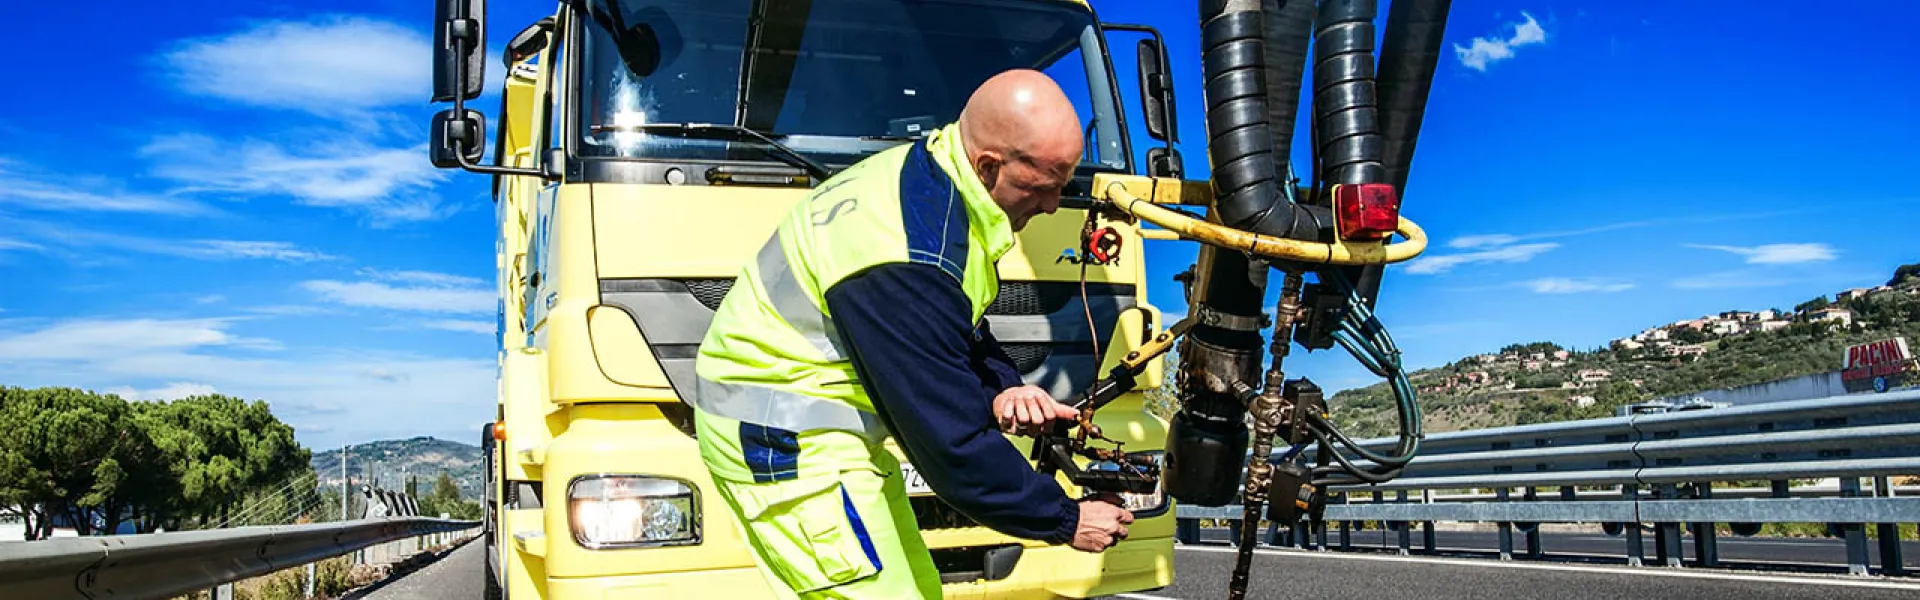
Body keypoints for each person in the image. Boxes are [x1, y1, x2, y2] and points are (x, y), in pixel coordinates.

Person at [687, 69, 1135, 599]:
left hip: (820, 426)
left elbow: (955, 329)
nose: (1054, 206)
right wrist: (1065, 519)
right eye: (1045, 186)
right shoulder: (907, 251)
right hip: (782, 438)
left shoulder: (932, 185)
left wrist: (1002, 387)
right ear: (989, 166)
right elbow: (949, 444)